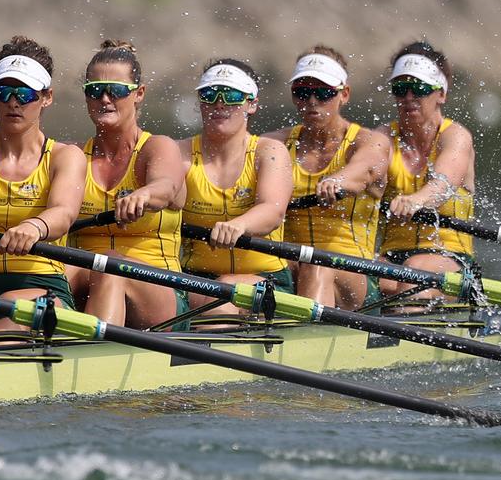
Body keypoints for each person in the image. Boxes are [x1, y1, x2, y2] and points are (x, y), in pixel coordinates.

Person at [0, 35, 85, 330]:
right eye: (3, 92)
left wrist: (34, 226)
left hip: (40, 284)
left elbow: (64, 213)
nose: (13, 102)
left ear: (47, 97)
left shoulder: (65, 157)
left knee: (1, 315)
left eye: (25, 94)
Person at [65, 40, 185, 328]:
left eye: (116, 91)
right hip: (89, 278)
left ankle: (95, 358)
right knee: (48, 275)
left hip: (159, 289)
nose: (105, 99)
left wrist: (144, 195)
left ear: (139, 94)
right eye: (95, 91)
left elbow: (166, 186)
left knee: (109, 264)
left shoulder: (158, 148)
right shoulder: (72, 155)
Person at [263, 47, 390, 310]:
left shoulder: (369, 142)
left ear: (344, 94)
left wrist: (338, 182)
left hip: (353, 272)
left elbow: (365, 170)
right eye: (302, 91)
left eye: (323, 92)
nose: (312, 101)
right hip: (288, 265)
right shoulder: (274, 144)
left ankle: (306, 342)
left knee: (316, 266)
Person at [178, 59, 294, 318]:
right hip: (197, 278)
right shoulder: (180, 153)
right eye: (209, 94)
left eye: (231, 96)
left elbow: (272, 210)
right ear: (200, 102)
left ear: (251, 103)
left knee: (223, 291)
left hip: (265, 278)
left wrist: (239, 225)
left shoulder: (269, 151)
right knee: (215, 293)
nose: (219, 104)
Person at [376, 42, 476, 299]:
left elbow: (443, 184)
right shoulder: (382, 138)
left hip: (449, 256)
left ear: (441, 93)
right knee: (366, 283)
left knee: (413, 275)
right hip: (392, 256)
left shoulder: (456, 137)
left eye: (419, 89)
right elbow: (363, 174)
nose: (409, 97)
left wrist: (417, 200)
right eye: (400, 89)